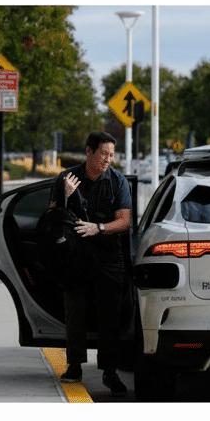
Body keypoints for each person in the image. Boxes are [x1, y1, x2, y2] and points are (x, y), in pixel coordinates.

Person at [48, 131, 132, 396]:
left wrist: (99, 227)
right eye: (103, 154)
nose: (108, 159)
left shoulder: (117, 181)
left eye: (111, 155)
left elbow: (125, 221)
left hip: (109, 256)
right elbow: (52, 216)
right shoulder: (67, 178)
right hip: (75, 257)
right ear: (89, 152)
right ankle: (74, 366)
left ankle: (110, 372)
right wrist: (65, 195)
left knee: (111, 316)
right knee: (75, 312)